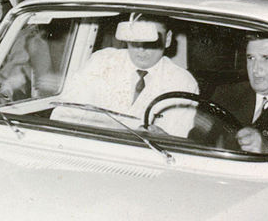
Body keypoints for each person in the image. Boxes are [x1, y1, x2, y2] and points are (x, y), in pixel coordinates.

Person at [57, 15, 199, 136]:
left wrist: (164, 138)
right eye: (136, 37)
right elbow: (64, 115)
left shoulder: (183, 82)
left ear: (167, 39)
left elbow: (177, 141)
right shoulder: (101, 61)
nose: (141, 48)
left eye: (152, 38)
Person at [212, 35, 268, 153]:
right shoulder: (226, 95)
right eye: (251, 58)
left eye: (266, 58)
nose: (255, 69)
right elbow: (198, 140)